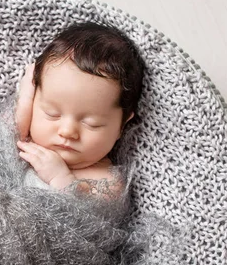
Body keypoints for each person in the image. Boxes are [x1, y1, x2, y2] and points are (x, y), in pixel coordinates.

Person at [14, 22, 145, 196]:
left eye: (92, 124)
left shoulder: (107, 181)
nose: (67, 131)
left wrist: (61, 179)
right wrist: (24, 100)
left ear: (121, 126)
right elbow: (1, 136)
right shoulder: (25, 140)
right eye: (52, 114)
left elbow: (92, 219)